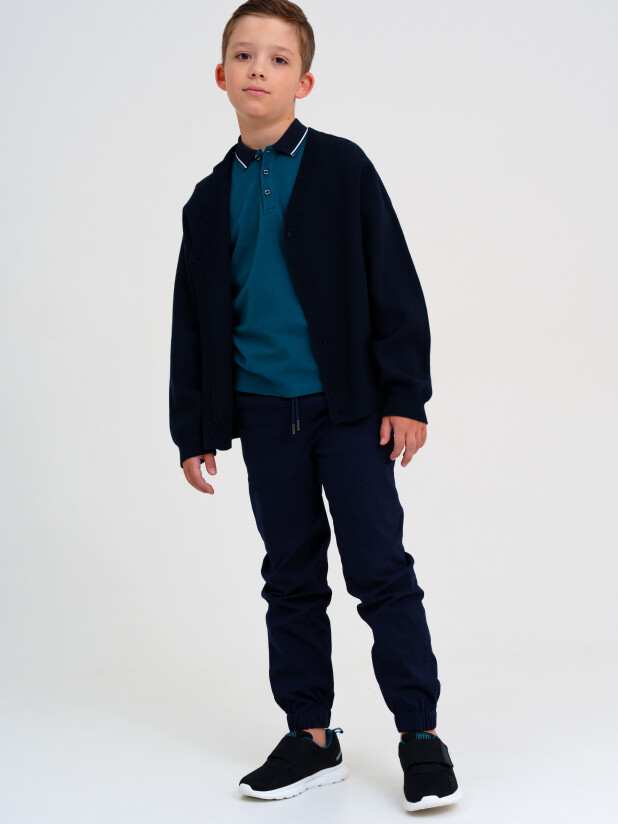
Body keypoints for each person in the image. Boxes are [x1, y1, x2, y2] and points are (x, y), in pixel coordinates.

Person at [169, 0, 462, 812]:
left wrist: (405, 395)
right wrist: (195, 428)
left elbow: (393, 282)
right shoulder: (206, 200)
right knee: (290, 576)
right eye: (243, 55)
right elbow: (194, 321)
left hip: (350, 411)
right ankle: (311, 737)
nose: (258, 69)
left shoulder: (342, 168)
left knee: (379, 569)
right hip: (266, 416)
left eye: (277, 58)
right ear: (221, 75)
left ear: (304, 81)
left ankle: (420, 733)